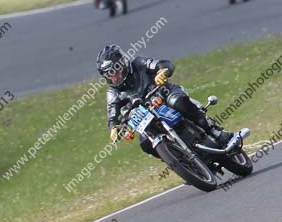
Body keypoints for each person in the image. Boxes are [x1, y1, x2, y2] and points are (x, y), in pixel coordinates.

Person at [96, 44, 235, 157]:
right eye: (109, 75)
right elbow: (112, 111)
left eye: (116, 71)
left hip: (166, 95)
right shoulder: (113, 91)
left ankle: (215, 131)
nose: (114, 78)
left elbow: (163, 64)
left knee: (177, 102)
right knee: (145, 142)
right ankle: (181, 162)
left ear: (124, 63)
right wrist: (114, 127)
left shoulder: (138, 64)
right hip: (147, 114)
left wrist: (162, 71)